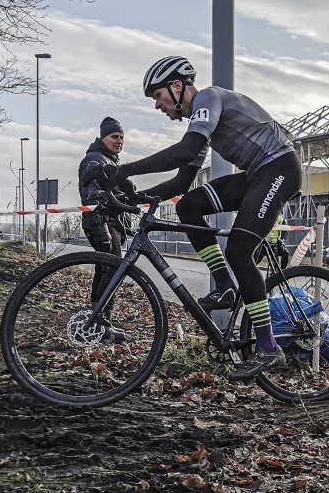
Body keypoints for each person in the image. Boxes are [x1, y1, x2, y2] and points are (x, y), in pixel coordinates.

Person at [103, 55, 301, 380]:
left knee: (239, 250)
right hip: (257, 175)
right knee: (189, 207)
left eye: (158, 96)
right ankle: (223, 284)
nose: (158, 105)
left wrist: (125, 169)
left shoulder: (209, 97)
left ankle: (268, 347)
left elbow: (183, 150)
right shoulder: (202, 124)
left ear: (177, 85)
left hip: (280, 169)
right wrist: (141, 196)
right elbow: (181, 183)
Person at [77, 116, 140, 340]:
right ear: (103, 138)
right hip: (100, 221)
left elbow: (112, 189)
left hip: (111, 222)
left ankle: (101, 319)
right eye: (114, 137)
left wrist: (131, 197)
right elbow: (94, 179)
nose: (119, 141)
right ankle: (101, 321)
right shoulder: (94, 158)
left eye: (122, 137)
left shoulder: (109, 159)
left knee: (108, 270)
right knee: (111, 269)